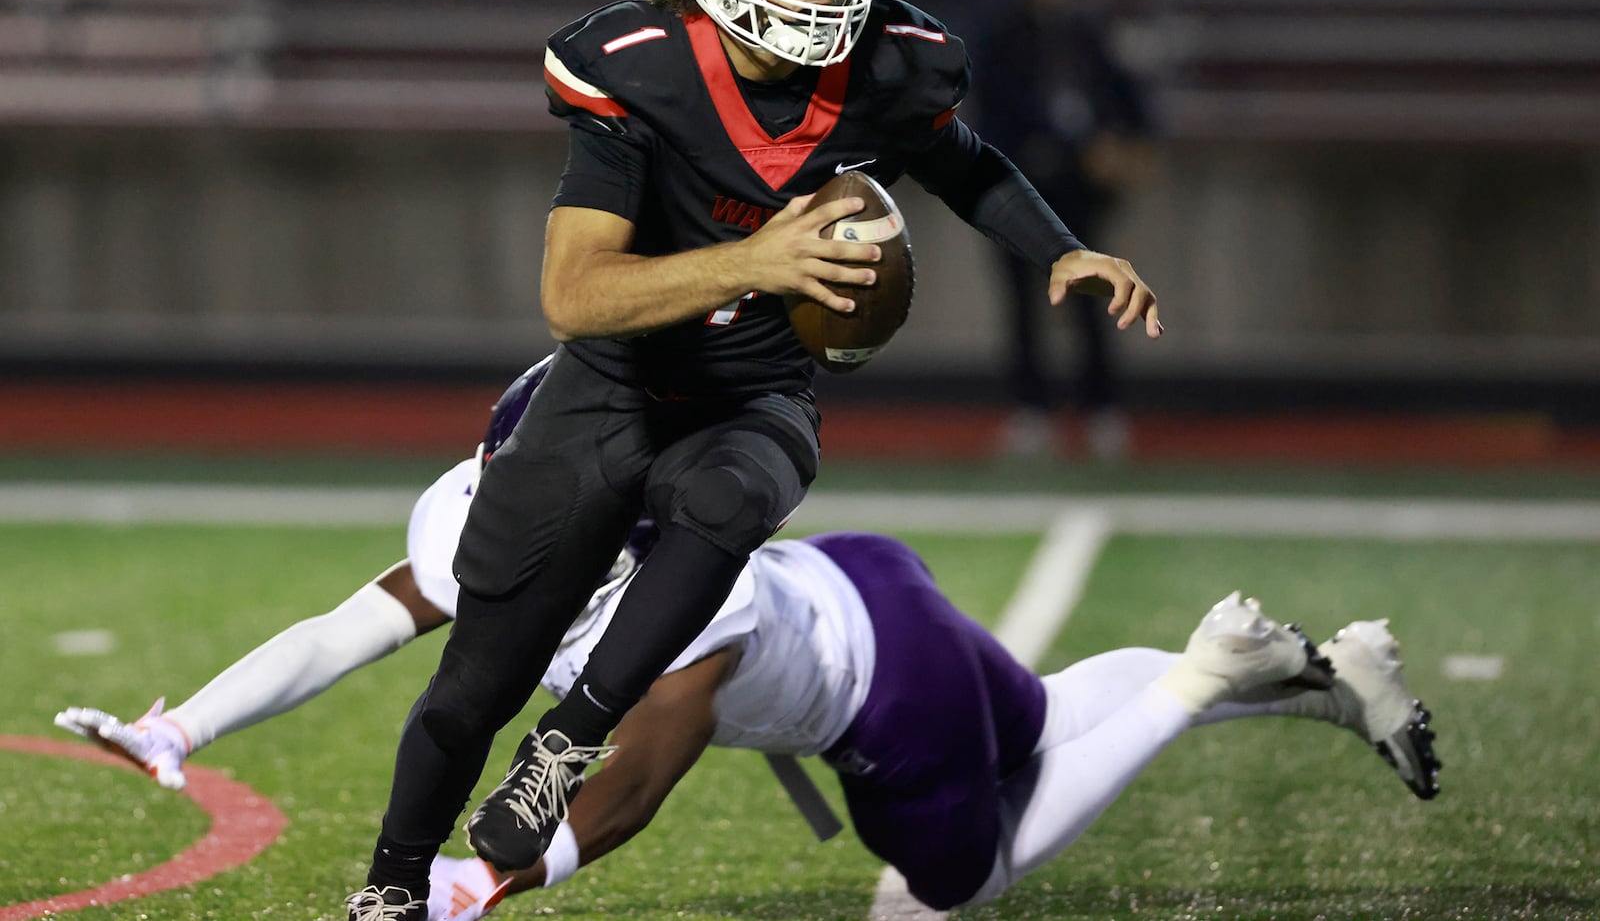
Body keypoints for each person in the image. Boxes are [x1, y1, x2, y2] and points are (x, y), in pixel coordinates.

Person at [349, 0, 1163, 920]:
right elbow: (573, 296)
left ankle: (569, 740)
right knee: (469, 681)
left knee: (736, 491)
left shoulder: (886, 59)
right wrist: (756, 261)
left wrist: (1060, 248)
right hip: (615, 387)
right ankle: (390, 888)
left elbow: (962, 161)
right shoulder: (638, 69)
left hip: (752, 394)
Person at [60, 486, 1442, 921]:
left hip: (874, 691)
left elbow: (641, 781)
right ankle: (1312, 683)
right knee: (1033, 718)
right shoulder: (514, 514)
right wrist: (181, 728)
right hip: (868, 582)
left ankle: (1208, 672)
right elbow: (339, 629)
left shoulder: (668, 611)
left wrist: (486, 883)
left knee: (934, 889)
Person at [974, 0, 1161, 461]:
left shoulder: (1089, 34)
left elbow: (1131, 106)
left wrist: (1122, 151)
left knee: (1091, 304)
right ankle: (1032, 410)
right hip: (1019, 195)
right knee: (1022, 307)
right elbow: (990, 119)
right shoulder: (1001, 39)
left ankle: (1101, 410)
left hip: (1078, 196)